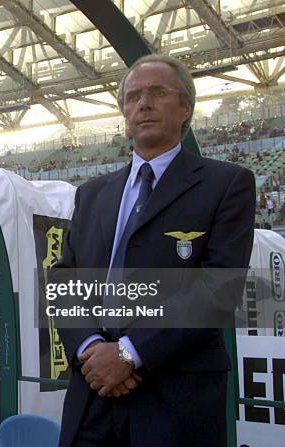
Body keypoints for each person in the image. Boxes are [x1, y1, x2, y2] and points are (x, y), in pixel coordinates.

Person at [56, 54, 255, 447]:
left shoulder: (227, 184)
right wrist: (92, 348)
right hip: (93, 390)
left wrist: (129, 353)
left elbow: (217, 288)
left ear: (185, 109)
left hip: (175, 396)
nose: (143, 103)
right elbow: (65, 279)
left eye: (158, 92)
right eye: (133, 97)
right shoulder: (92, 194)